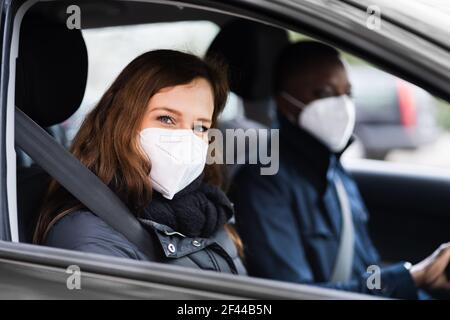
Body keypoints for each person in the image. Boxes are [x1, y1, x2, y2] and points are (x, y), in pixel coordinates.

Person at [230, 41, 450, 298]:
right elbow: (293, 294)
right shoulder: (264, 183)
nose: (342, 104)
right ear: (285, 103)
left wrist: (416, 279)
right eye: (325, 94)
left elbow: (367, 271)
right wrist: (410, 277)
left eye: (347, 93)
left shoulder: (334, 171)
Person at [33, 49, 246, 275]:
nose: (187, 139)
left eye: (201, 126)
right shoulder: (87, 235)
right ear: (122, 122)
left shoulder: (208, 210)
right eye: (166, 119)